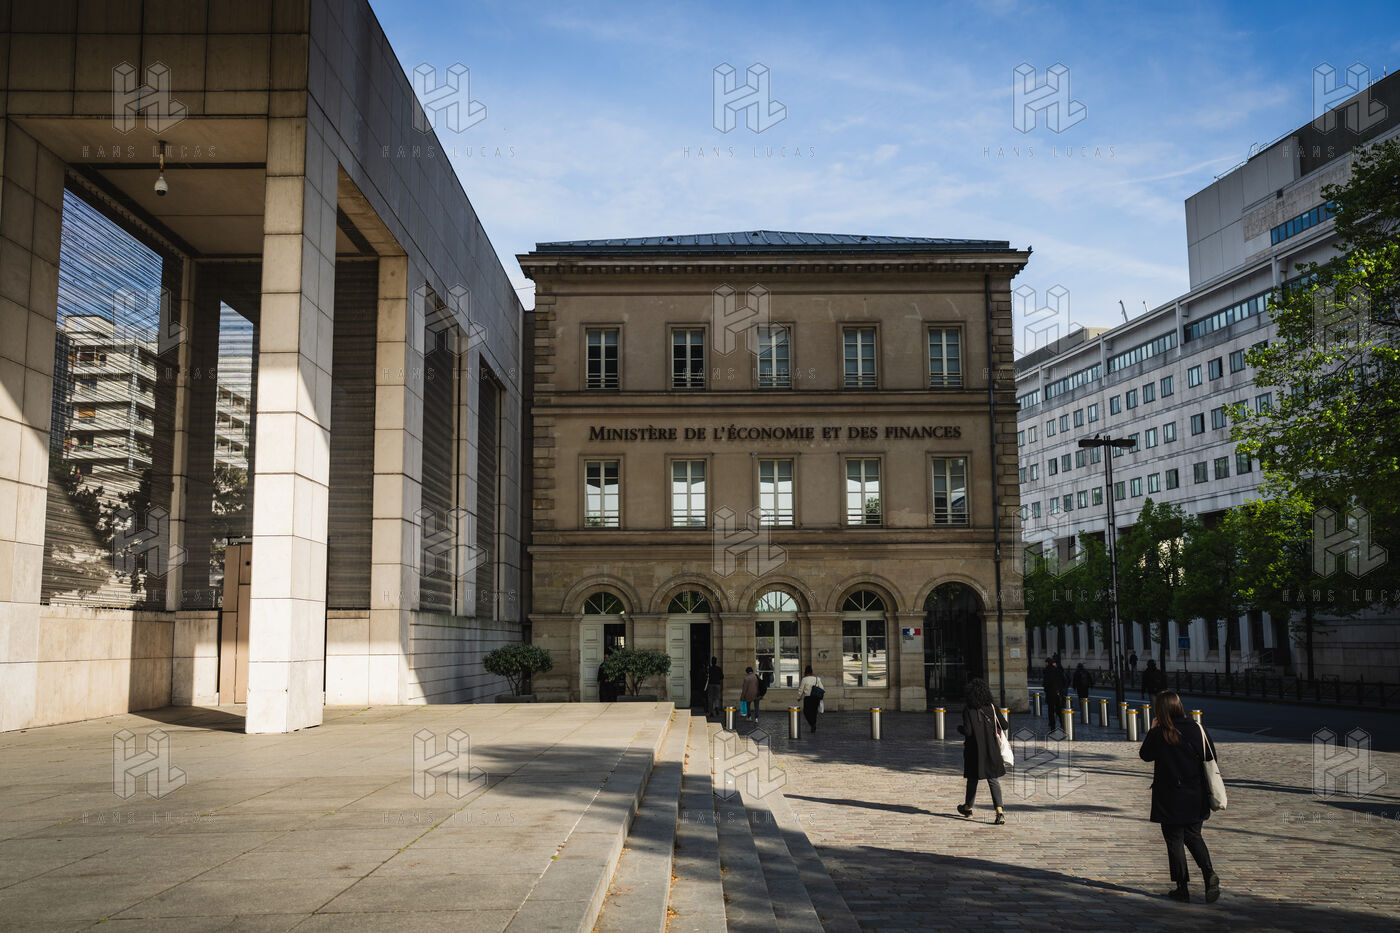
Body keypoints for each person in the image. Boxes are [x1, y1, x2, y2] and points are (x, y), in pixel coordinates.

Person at [1139, 690, 1220, 904]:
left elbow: (1145, 755)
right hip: (1196, 794)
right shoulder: (1197, 728)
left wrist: (1153, 730)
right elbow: (1211, 756)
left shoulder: (1160, 733)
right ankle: (1209, 873)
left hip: (1170, 796)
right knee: (1193, 835)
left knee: (1174, 840)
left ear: (1160, 710)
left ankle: (1182, 888)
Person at [956, 677, 1009, 825]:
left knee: (972, 779)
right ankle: (999, 812)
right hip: (992, 749)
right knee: (993, 780)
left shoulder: (968, 709)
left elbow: (968, 731)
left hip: (975, 750)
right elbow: (1004, 725)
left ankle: (968, 808)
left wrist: (959, 729)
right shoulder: (992, 707)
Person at [1042, 655, 1067, 731]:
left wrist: (1046, 689)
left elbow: (1045, 683)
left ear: (1047, 663)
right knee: (1058, 709)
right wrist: (1060, 689)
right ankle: (1062, 722)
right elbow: (1064, 681)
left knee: (1051, 710)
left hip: (1050, 693)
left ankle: (1052, 726)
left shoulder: (1047, 671)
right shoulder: (1057, 670)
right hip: (1058, 693)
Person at [799, 664, 824, 732]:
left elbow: (801, 689)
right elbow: (822, 688)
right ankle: (813, 724)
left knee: (806, 711)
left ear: (805, 672)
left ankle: (812, 724)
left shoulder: (804, 679)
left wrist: (799, 697)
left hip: (808, 698)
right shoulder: (817, 679)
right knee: (814, 712)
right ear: (812, 671)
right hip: (816, 698)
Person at [704, 656, 723, 721]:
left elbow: (706, 676)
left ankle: (711, 711)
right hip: (717, 684)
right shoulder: (719, 668)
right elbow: (722, 676)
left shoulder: (709, 669)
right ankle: (716, 706)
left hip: (710, 684)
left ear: (711, 662)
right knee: (717, 697)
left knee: (710, 698)